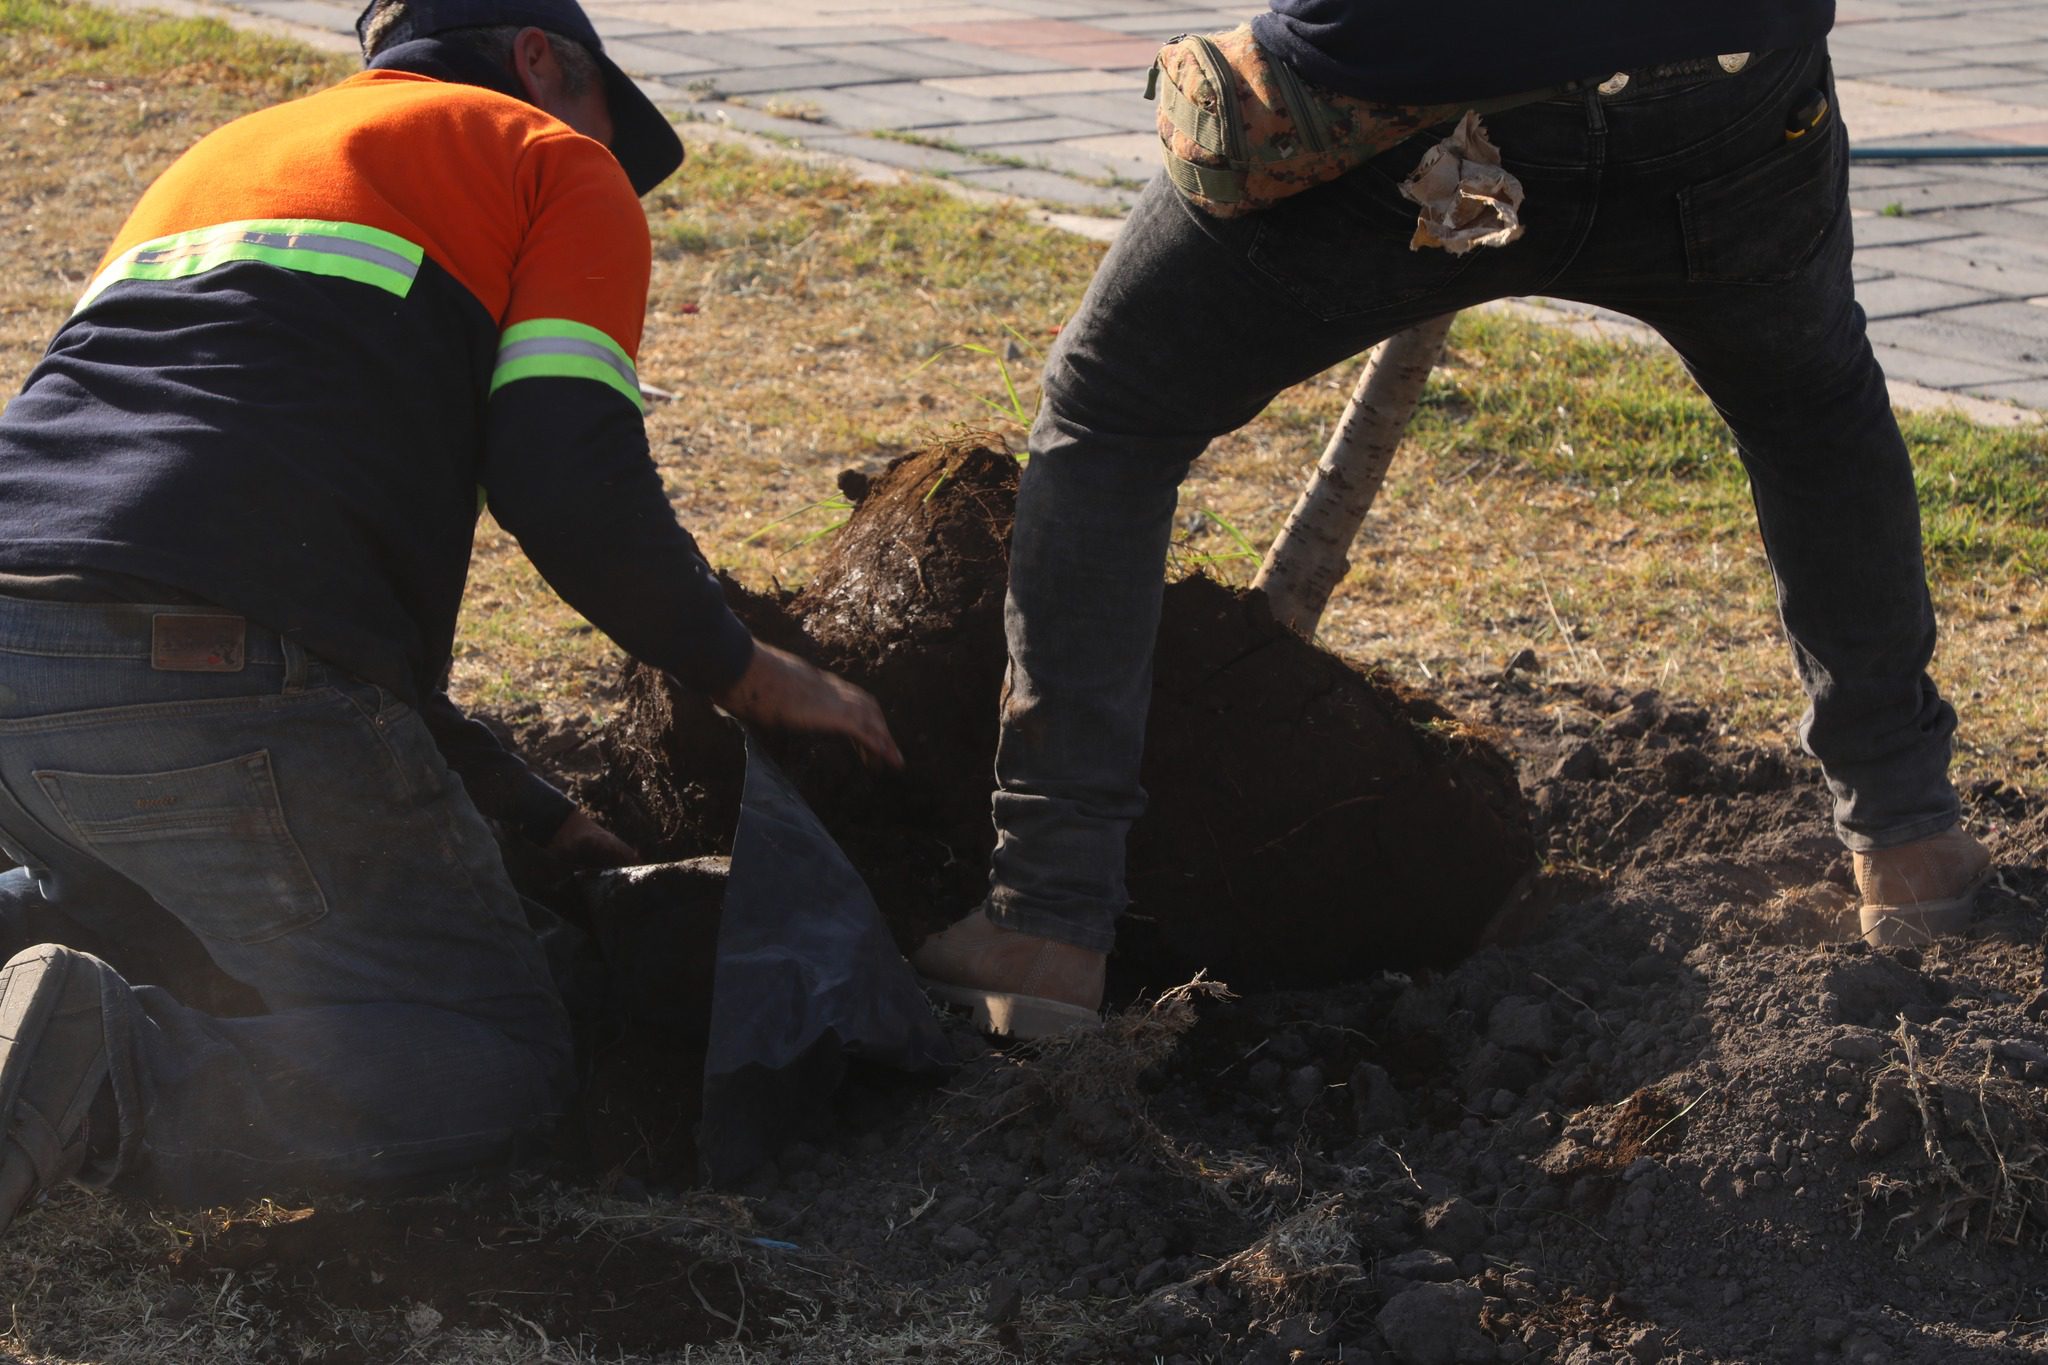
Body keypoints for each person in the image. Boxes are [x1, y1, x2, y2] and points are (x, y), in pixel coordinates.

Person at [912, 0, 1993, 1038]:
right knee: (1812, 416)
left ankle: (1048, 923)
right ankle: (1909, 842)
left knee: (1109, 412)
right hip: (1728, 82)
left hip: (1410, 86)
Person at [0, 0, 899, 1230]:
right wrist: (743, 668)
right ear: (538, 57)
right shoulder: (544, 157)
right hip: (191, 666)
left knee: (138, 896)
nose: (608, 156)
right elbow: (562, 474)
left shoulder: (227, 157)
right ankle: (114, 1075)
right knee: (486, 1045)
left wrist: (538, 816)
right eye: (602, 111)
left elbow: (260, 574)